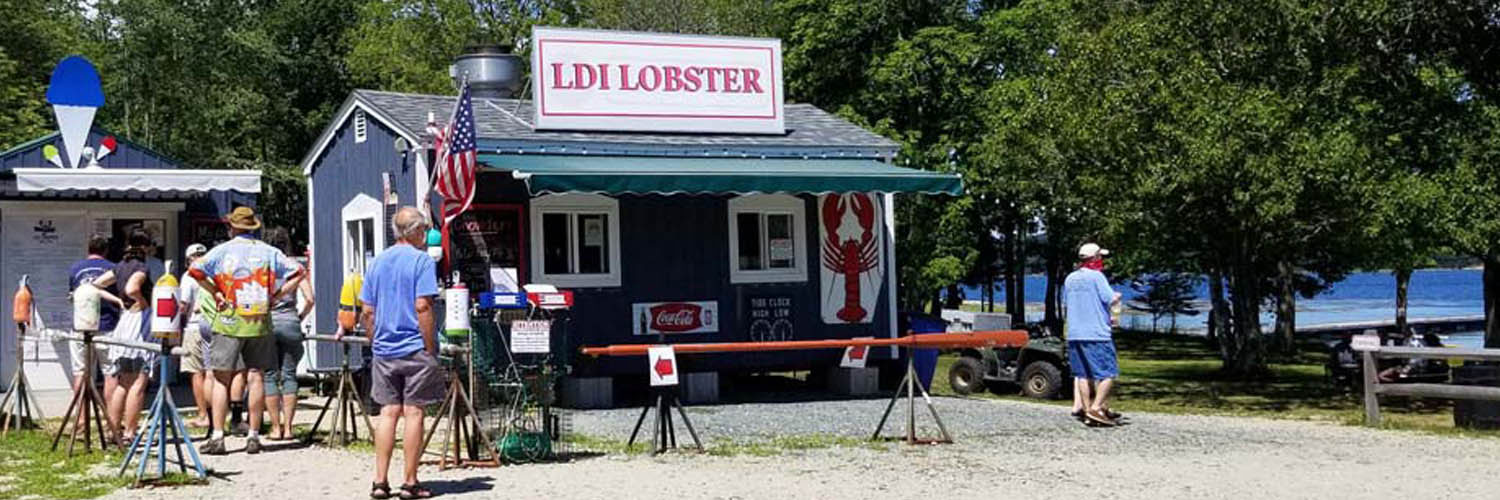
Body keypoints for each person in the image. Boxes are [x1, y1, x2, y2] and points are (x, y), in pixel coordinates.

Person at [342, 206, 441, 500]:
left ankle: (379, 481)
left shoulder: (377, 262)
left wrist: (375, 341)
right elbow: (423, 306)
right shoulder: (422, 261)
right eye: (423, 229)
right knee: (414, 413)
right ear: (413, 232)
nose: (425, 235)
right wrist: (430, 346)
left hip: (384, 348)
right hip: (414, 346)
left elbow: (367, 311)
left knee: (387, 413)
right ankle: (410, 482)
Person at [189, 207, 304, 455]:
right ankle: (253, 434)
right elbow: (299, 271)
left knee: (221, 378)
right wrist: (276, 296)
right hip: (259, 320)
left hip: (229, 321)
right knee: (256, 376)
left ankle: (218, 435)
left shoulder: (221, 251)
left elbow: (195, 271)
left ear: (232, 227)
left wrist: (215, 292)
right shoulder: (270, 252)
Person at [94, 229, 156, 444]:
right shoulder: (141, 267)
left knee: (122, 382)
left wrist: (117, 301)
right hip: (140, 323)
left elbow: (96, 285)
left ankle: (113, 431)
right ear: (146, 247)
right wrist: (142, 301)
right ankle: (130, 432)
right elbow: (132, 288)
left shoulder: (119, 267)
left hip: (124, 321)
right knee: (139, 381)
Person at [66, 234, 124, 430]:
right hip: (108, 326)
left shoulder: (75, 269)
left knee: (80, 373)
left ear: (88, 249)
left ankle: (81, 421)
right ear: (106, 250)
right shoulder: (113, 268)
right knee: (111, 373)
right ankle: (111, 420)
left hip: (80, 327)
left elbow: (72, 295)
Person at [1064, 242, 1123, 427]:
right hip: (1096, 333)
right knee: (1108, 373)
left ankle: (1087, 410)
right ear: (1095, 258)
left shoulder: (1070, 278)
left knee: (1083, 374)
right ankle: (1096, 408)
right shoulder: (1097, 277)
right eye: (1101, 257)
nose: (1102, 260)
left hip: (1075, 332)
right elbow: (1109, 298)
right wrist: (1118, 297)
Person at [263, 228, 314, 441]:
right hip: (291, 321)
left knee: (269, 375)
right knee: (290, 375)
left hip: (267, 323)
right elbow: (310, 298)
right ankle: (289, 428)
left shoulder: (263, 267)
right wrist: (299, 317)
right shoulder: (295, 267)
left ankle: (275, 427)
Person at [178, 243, 213, 428]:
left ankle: (203, 414)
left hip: (194, 326)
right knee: (211, 371)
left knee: (196, 372)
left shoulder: (188, 276)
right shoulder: (214, 273)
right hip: (214, 324)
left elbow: (183, 305)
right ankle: (216, 413)